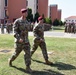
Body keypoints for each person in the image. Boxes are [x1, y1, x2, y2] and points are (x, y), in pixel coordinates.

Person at [8, 8, 32, 73]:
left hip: (26, 41)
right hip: (19, 42)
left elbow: (29, 29)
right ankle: (10, 60)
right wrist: (18, 38)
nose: (27, 14)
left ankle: (28, 67)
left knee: (28, 54)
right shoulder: (17, 21)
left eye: (27, 12)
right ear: (22, 13)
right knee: (16, 54)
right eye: (25, 12)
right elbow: (14, 31)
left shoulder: (27, 22)